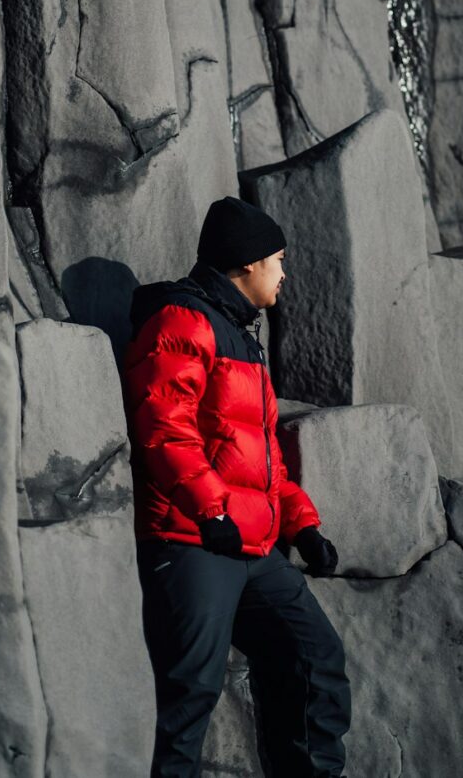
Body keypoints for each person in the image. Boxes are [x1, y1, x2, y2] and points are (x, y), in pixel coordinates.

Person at [123, 195, 351, 778]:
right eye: (278, 259)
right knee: (189, 693)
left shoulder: (240, 334)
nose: (284, 271)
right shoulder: (182, 321)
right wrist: (210, 511)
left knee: (315, 658)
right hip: (193, 539)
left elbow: (262, 452)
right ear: (247, 264)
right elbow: (162, 426)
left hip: (249, 546)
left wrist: (303, 523)